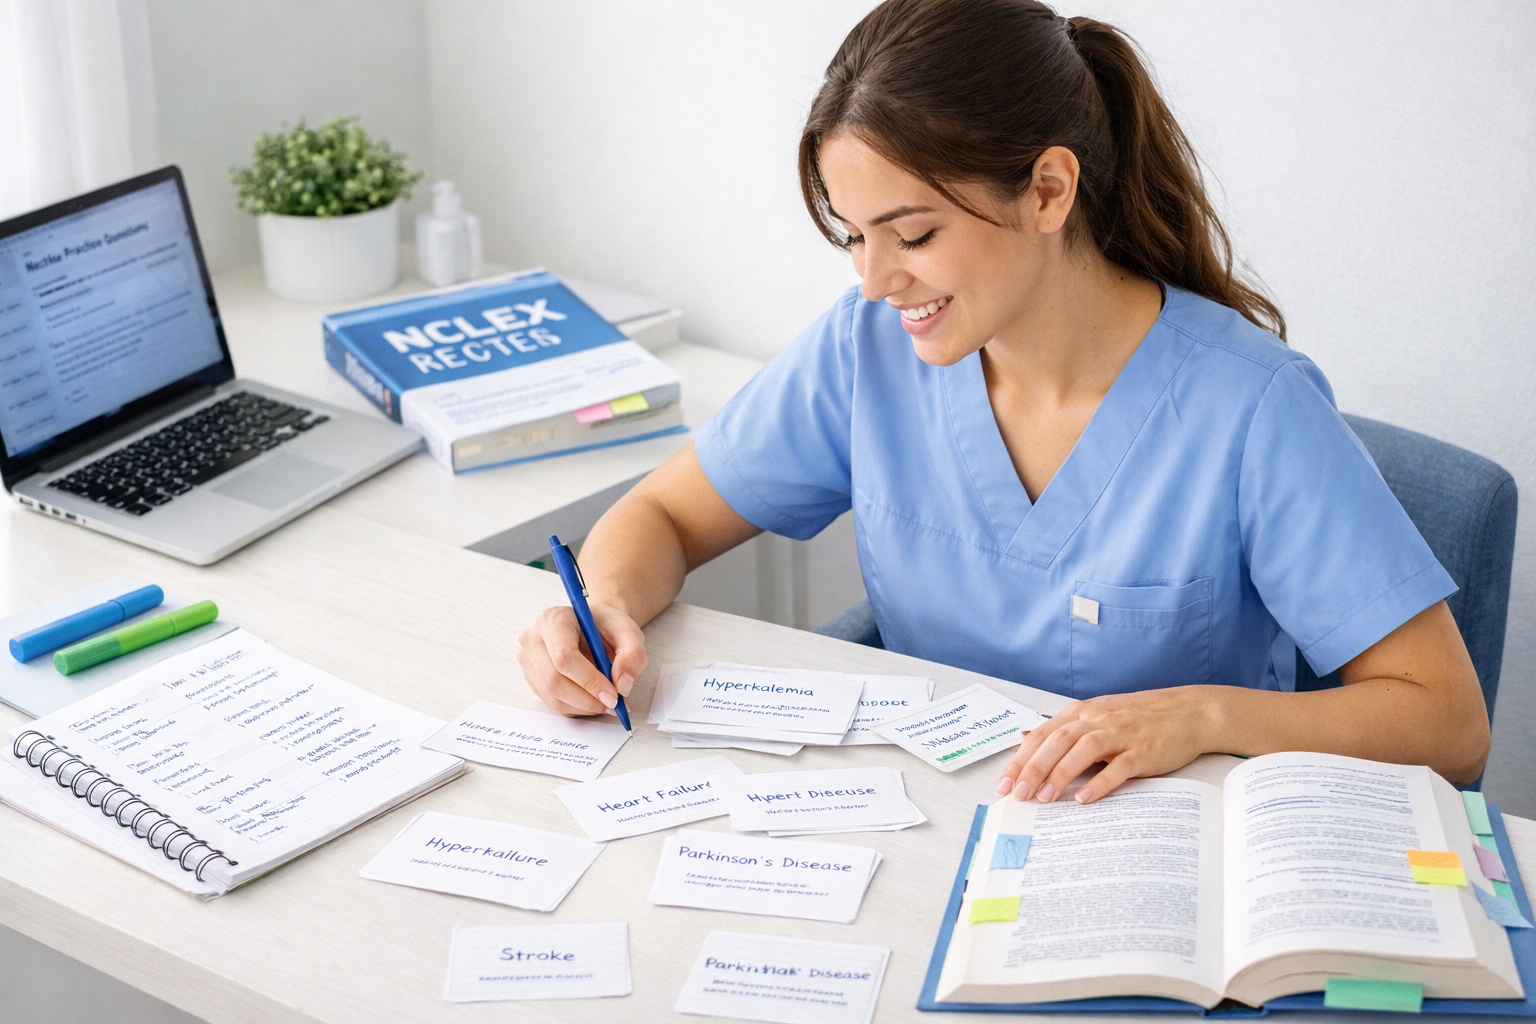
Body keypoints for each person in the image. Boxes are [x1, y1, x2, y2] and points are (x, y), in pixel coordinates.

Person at [517, 0, 1490, 804]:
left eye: (912, 232)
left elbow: (1447, 724)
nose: (874, 281)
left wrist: (1202, 716)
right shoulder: (867, 354)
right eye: (853, 235)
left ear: (1050, 189)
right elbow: (662, 515)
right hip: (920, 832)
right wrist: (602, 606)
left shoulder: (1252, 409)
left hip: (1165, 870)